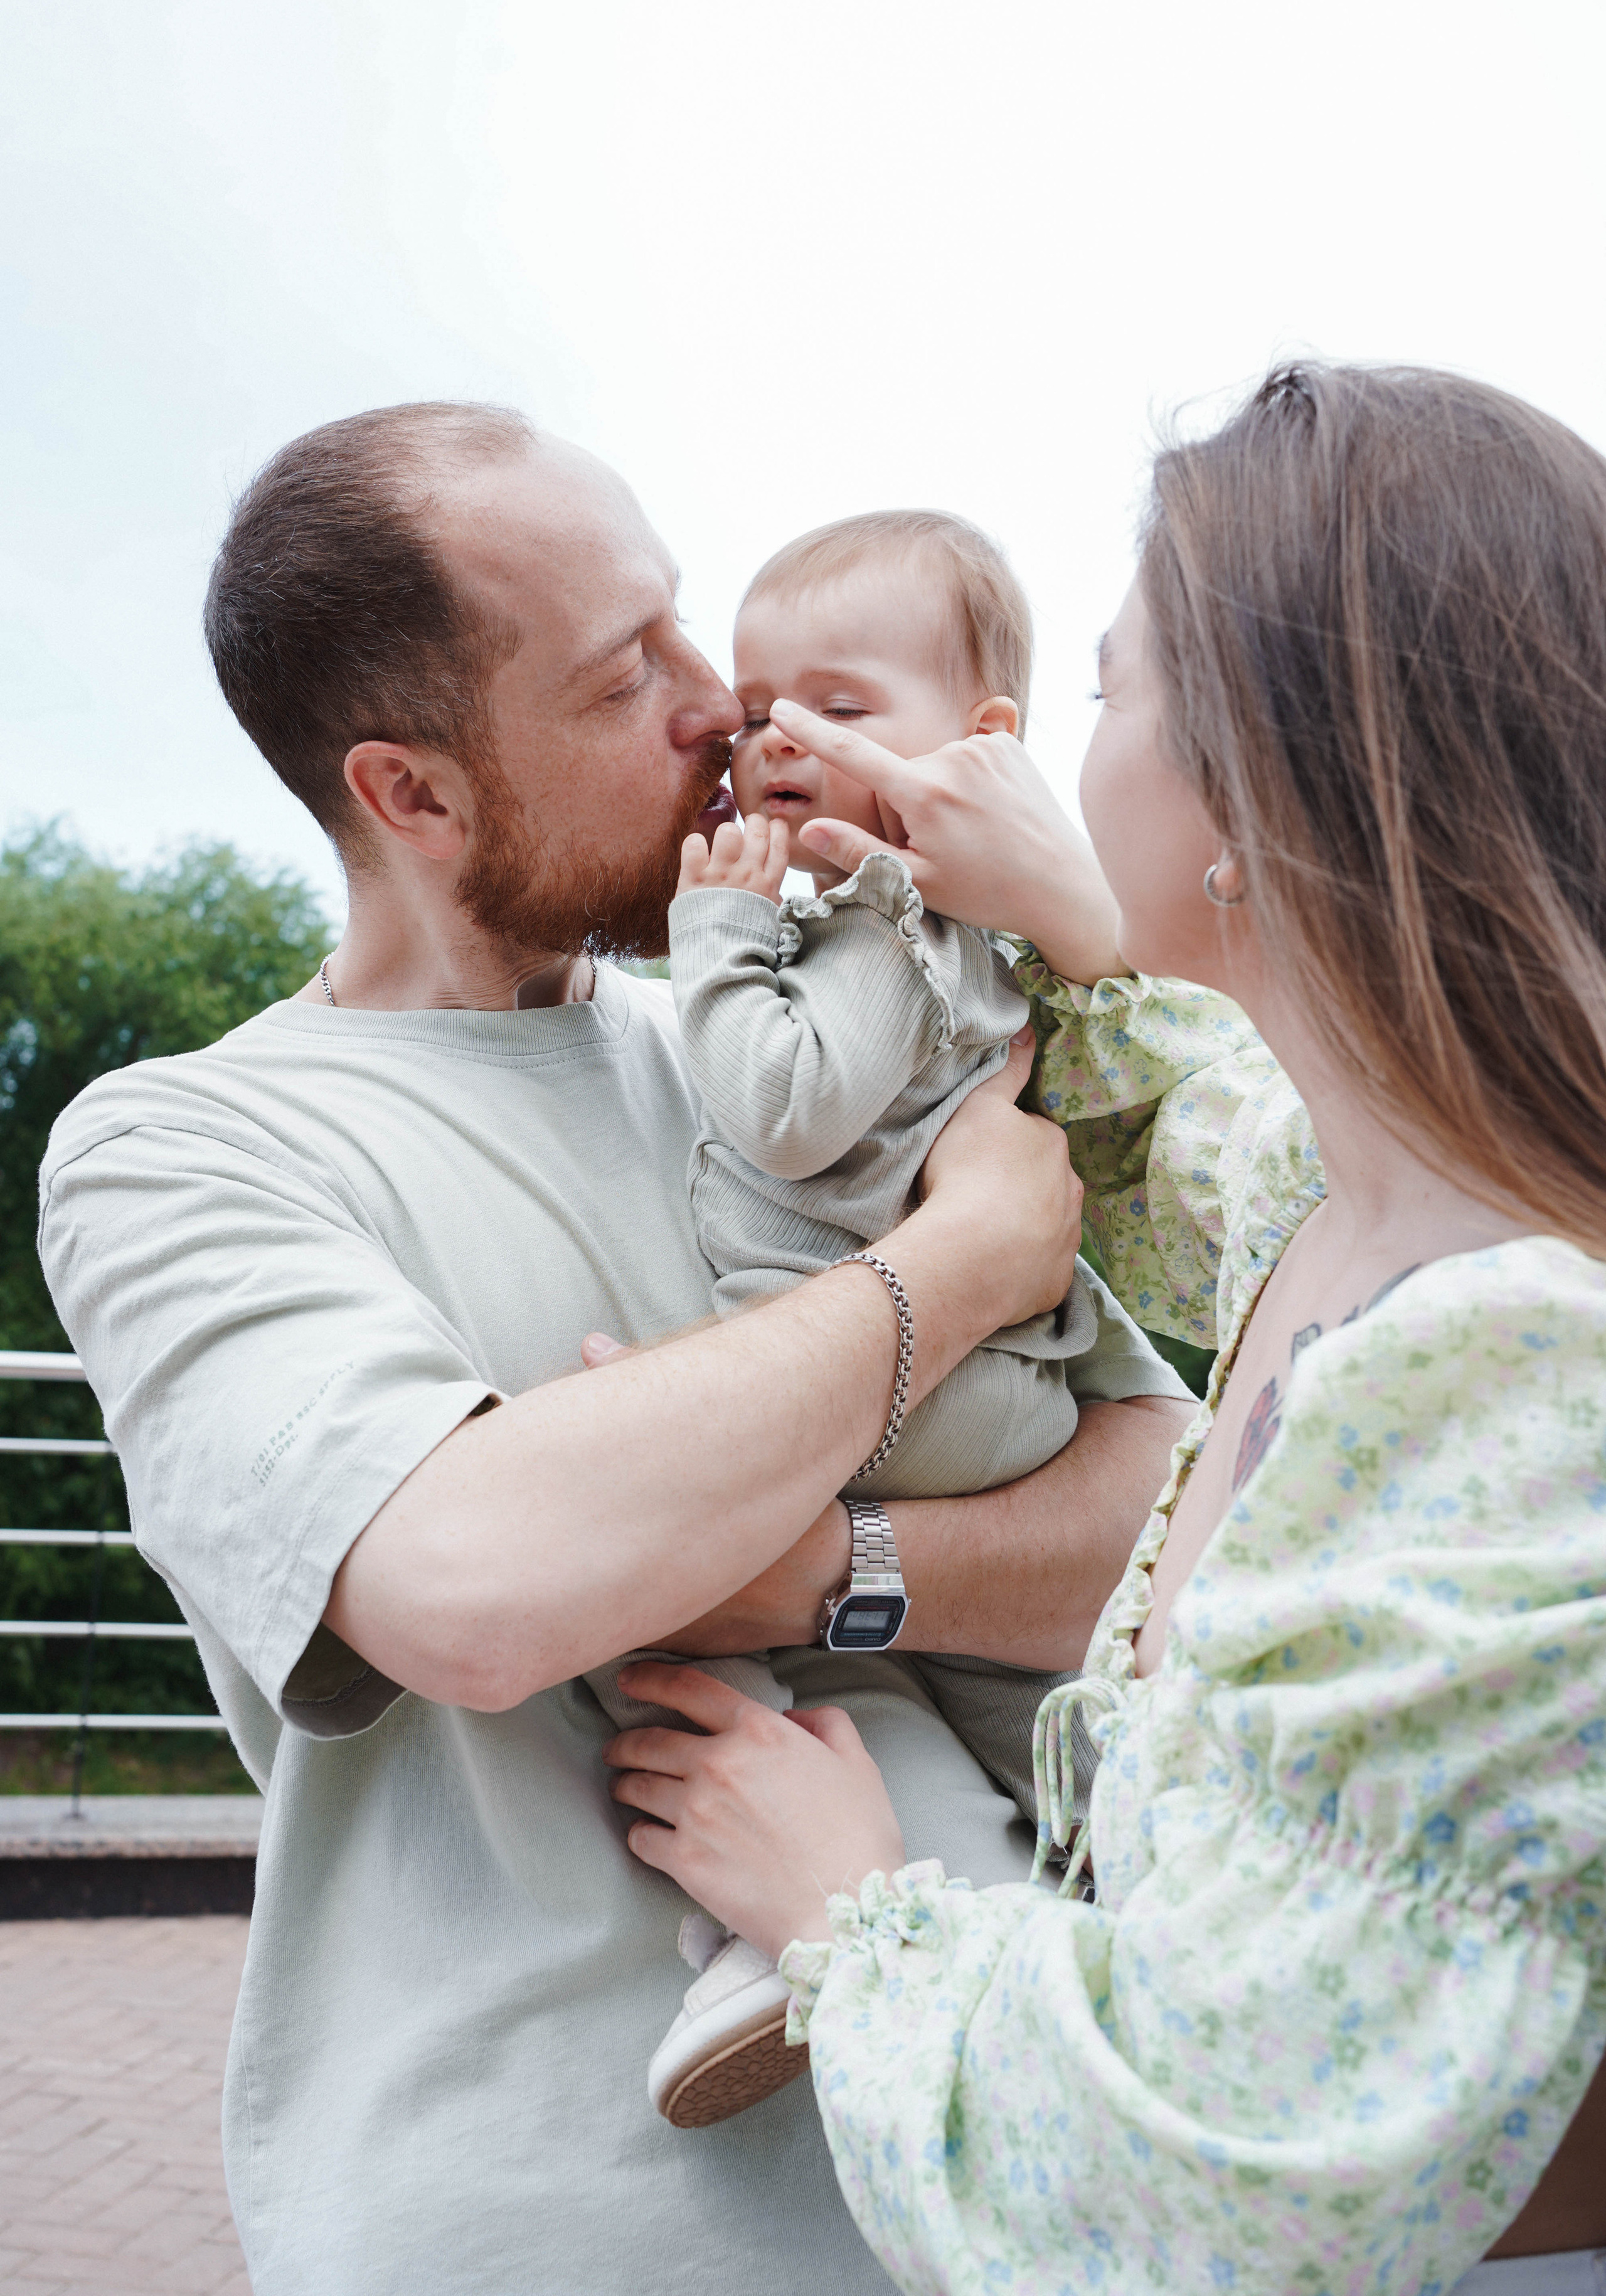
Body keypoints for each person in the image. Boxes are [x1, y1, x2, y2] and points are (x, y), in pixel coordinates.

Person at [36, 402, 1192, 2296]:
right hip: (534, 2235)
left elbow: (1164, 1511)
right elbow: (472, 1584)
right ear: (409, 794)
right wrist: (962, 1269)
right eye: (618, 677)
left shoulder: (811, 1033)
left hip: (983, 2207)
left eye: (682, 629)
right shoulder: (186, 1145)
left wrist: (825, 1571)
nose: (712, 706)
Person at [600, 363, 1606, 2295]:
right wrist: (1043, 922)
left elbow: (1209, 2180)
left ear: (1268, 780)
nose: (1055, 752)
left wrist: (853, 1907)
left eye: (1108, 691)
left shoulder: (1507, 1360)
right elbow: (1188, 1121)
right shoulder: (1356, 1214)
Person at [585, 511, 1186, 2128]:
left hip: (908, 1387)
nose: (781, 735)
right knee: (1024, 1724)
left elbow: (784, 1109)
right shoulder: (930, 932)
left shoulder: (891, 921)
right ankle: (1060, 1912)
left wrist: (712, 931)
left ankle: (761, 1932)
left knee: (656, 1538)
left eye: (844, 708)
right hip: (988, 1383)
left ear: (980, 748)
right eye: (767, 700)